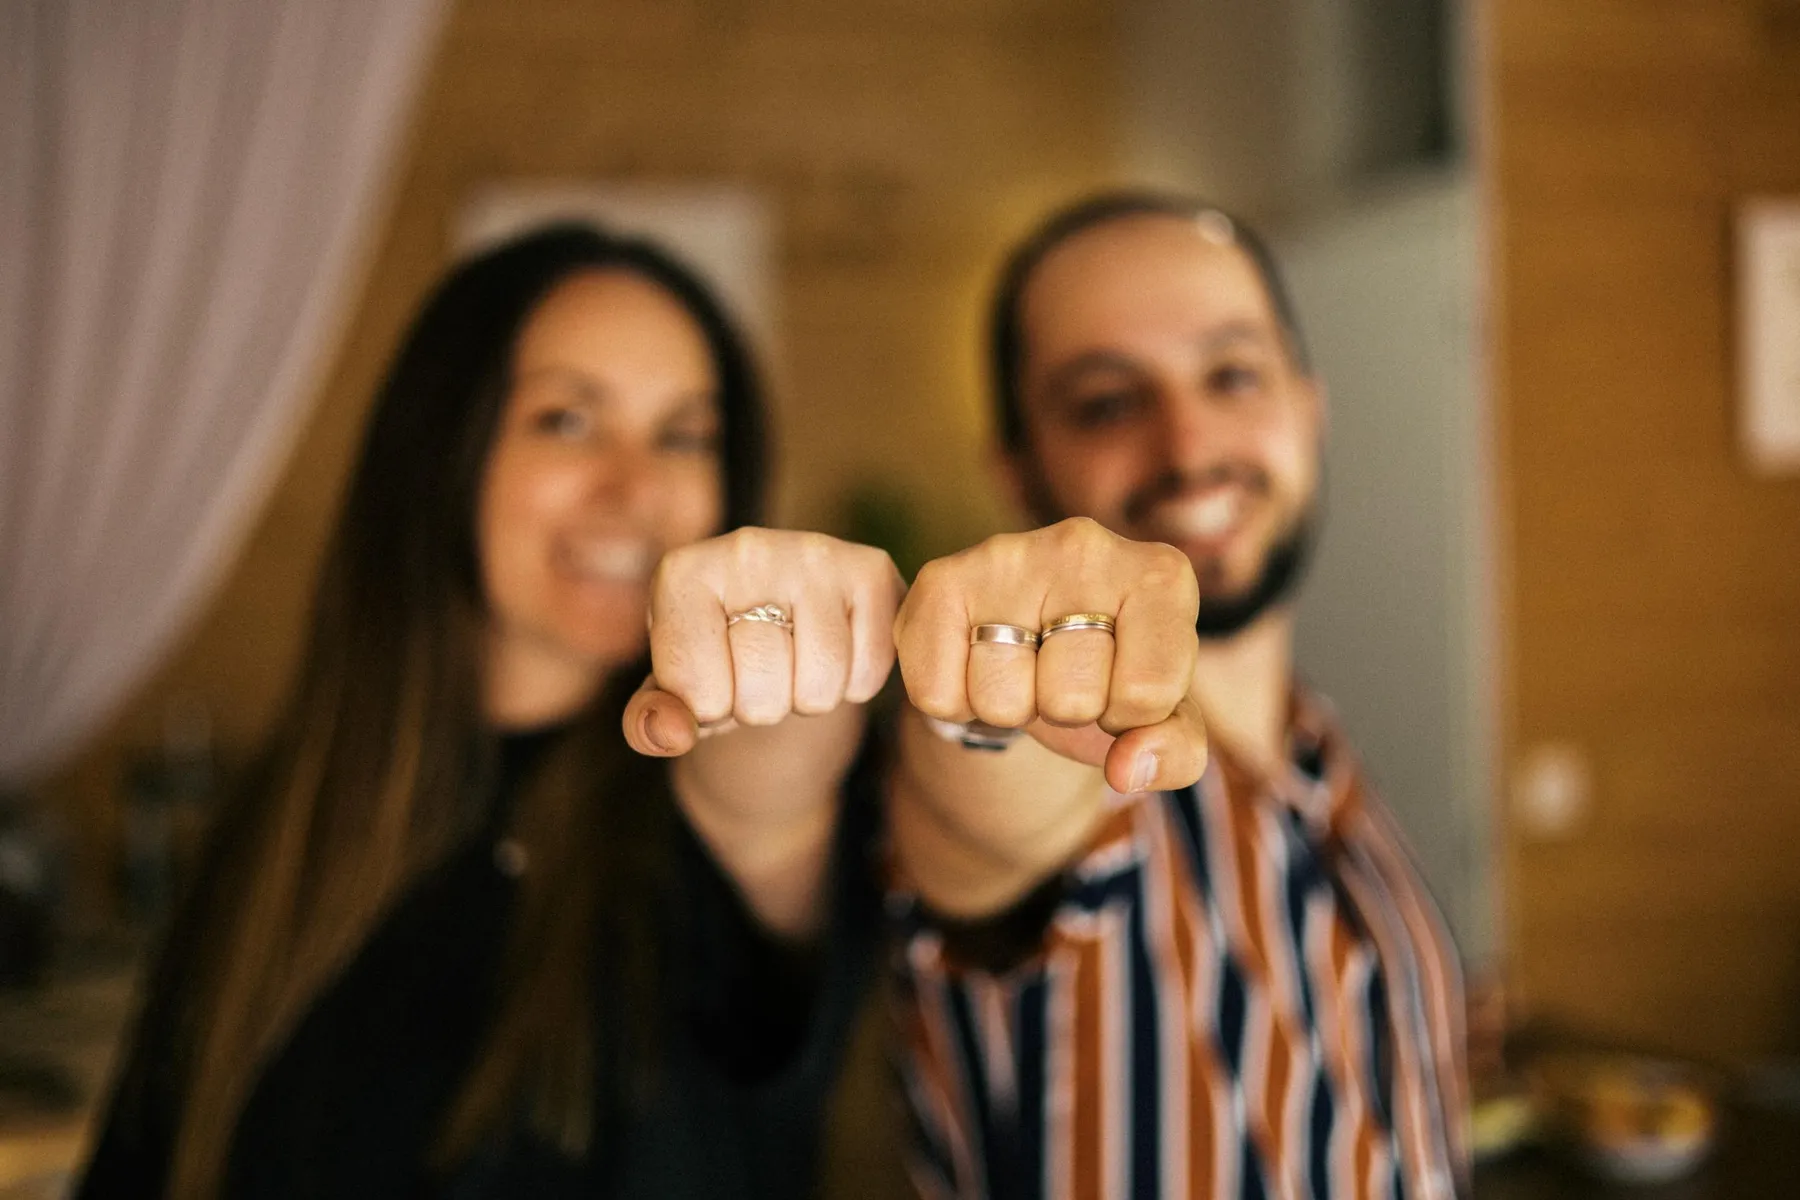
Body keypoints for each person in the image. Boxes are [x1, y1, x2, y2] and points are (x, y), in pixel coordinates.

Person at [77, 223, 908, 1200]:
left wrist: (792, 671)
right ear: (445, 448)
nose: (636, 489)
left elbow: (775, 790)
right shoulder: (288, 819)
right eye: (567, 420)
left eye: (684, 435)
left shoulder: (709, 803)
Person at [883, 193, 1470, 1200]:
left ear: (1308, 404)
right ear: (1018, 473)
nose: (1190, 446)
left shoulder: (1317, 747)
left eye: (1233, 374)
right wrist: (976, 710)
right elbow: (984, 826)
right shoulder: (1081, 769)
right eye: (1107, 401)